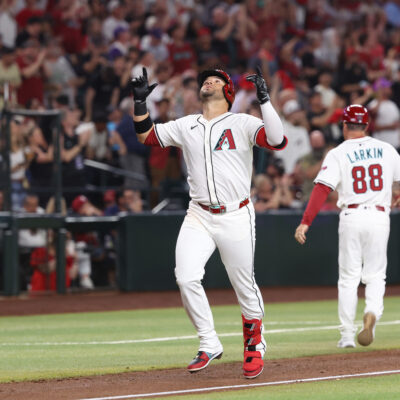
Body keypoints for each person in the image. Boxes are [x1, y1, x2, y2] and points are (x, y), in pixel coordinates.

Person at [131, 66, 287, 378]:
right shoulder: (187, 124)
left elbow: (277, 139)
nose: (209, 80)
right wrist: (139, 103)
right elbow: (147, 135)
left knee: (244, 285)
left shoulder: (241, 122)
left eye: (217, 79)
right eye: (206, 78)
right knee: (186, 276)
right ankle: (209, 341)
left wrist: (265, 100)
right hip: (199, 213)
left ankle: (254, 345)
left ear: (228, 92)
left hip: (236, 213)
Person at [294, 104, 400, 348]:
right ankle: (372, 311)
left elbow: (322, 188)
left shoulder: (338, 153)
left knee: (349, 278)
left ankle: (346, 335)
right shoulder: (386, 149)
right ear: (366, 125)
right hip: (379, 216)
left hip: (352, 216)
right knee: (375, 275)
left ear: (344, 125)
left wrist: (306, 221)